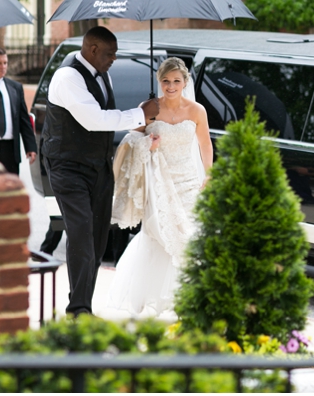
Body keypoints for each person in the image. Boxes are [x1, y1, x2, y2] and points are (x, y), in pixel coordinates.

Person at [40, 26, 160, 316]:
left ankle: (83, 302)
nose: (114, 59)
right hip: (67, 166)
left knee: (97, 237)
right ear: (92, 49)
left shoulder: (102, 74)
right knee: (80, 232)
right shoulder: (67, 76)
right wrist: (140, 113)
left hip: (98, 165)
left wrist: (146, 126)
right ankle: (78, 309)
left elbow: (107, 118)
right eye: (110, 53)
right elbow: (94, 119)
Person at [109, 57, 213, 316]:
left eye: (176, 81)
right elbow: (130, 140)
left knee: (189, 234)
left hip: (188, 181)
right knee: (158, 235)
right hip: (159, 181)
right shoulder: (149, 107)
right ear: (159, 81)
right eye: (166, 81)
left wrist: (209, 175)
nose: (171, 86)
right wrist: (147, 144)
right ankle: (153, 299)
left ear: (185, 82)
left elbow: (205, 144)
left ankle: (185, 298)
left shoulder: (197, 110)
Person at [0, 47, 38, 174]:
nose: (3, 67)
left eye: (5, 63)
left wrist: (30, 146)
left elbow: (23, 119)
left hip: (10, 149)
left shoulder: (15, 87)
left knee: (11, 190)